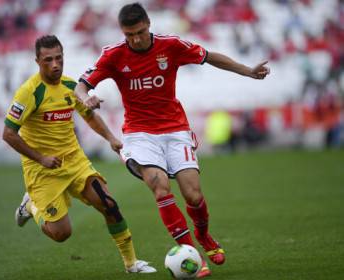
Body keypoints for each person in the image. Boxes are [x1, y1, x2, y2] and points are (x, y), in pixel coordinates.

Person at [75, 3, 270, 278]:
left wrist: (247, 71)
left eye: (140, 32)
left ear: (149, 25)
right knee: (160, 186)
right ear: (123, 32)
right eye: (130, 34)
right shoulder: (113, 55)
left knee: (193, 194)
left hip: (176, 129)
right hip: (139, 134)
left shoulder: (171, 46)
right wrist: (87, 99)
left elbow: (210, 57)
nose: (136, 39)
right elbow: (81, 85)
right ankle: (192, 253)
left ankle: (204, 236)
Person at [2, 35, 156, 274]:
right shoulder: (29, 92)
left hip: (75, 162)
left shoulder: (71, 87)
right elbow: (8, 134)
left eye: (59, 58)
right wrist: (41, 158)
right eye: (48, 60)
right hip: (43, 170)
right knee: (61, 234)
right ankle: (30, 207)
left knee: (109, 205)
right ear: (37, 61)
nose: (55, 64)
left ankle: (131, 263)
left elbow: (90, 116)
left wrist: (112, 139)